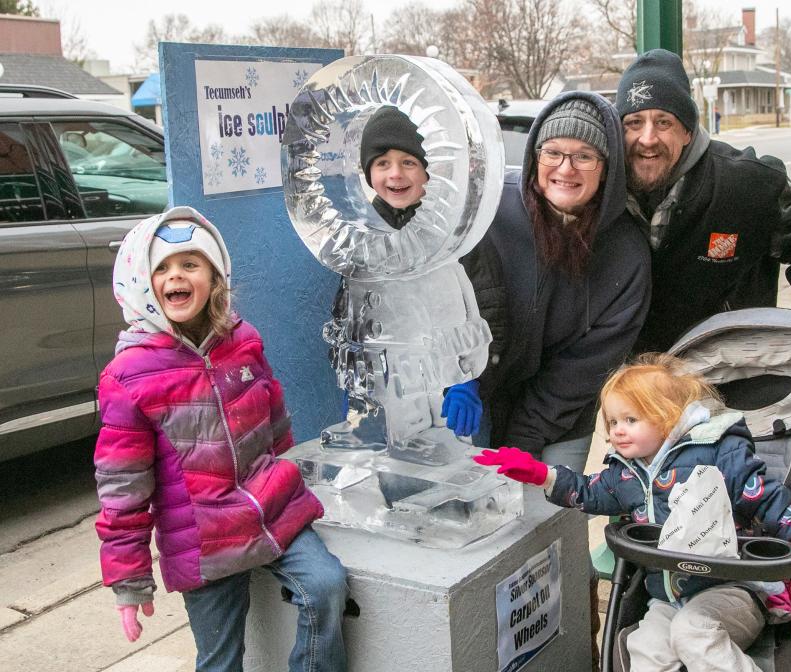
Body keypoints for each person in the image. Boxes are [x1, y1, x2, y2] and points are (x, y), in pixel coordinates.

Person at [473, 353, 791, 672]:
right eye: (613, 422)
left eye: (630, 420)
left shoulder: (719, 452)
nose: (618, 431)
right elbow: (587, 493)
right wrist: (541, 475)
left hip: (733, 589)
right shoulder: (625, 474)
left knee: (692, 631)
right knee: (646, 648)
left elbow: (763, 497)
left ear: (667, 415)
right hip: (666, 595)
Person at [94, 206, 348, 672]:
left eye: (191, 264)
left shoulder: (243, 339)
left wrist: (290, 479)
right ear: (139, 282)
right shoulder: (128, 376)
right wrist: (129, 582)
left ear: (214, 277)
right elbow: (122, 491)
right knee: (220, 660)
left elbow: (274, 423)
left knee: (327, 587)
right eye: (163, 268)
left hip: (270, 509)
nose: (177, 277)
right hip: (203, 541)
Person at [616, 49, 791, 357]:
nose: (647, 137)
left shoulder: (746, 182)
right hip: (632, 379)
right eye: (634, 122)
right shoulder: (603, 189)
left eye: (663, 122)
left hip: (729, 370)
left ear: (687, 130)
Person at [477, 91, 652, 472]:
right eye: (552, 152)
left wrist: (523, 441)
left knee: (550, 513)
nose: (565, 168)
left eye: (584, 156)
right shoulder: (490, 211)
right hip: (479, 396)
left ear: (606, 167)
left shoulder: (626, 253)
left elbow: (582, 369)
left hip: (559, 414)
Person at [359, 104, 495, 438]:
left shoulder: (458, 230)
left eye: (409, 162)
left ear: (428, 170)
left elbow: (488, 304)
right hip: (394, 390)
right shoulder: (362, 237)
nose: (395, 174)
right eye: (382, 163)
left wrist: (470, 380)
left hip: (451, 388)